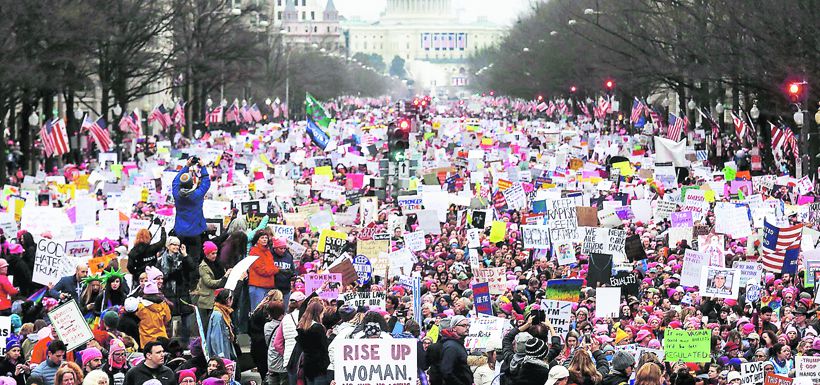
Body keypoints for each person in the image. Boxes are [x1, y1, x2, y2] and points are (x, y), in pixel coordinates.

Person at [173, 156, 211, 266]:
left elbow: (175, 181)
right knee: (194, 261)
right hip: (195, 233)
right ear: (191, 184)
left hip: (180, 232)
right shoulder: (197, 195)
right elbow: (206, 183)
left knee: (180, 261)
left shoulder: (176, 195)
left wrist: (187, 166)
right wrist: (203, 167)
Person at [158, 235, 196, 343]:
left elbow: (192, 267)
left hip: (182, 293)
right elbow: (160, 276)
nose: (176, 247)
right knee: (167, 322)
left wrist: (185, 255)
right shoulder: (161, 260)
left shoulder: (182, 258)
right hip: (169, 293)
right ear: (168, 246)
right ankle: (167, 344)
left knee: (186, 323)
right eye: (173, 244)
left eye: (178, 245)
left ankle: (186, 344)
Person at [194, 241, 233, 330]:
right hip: (208, 301)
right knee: (208, 326)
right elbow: (209, 283)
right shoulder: (203, 267)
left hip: (219, 299)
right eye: (212, 253)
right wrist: (224, 277)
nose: (215, 255)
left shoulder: (219, 264)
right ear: (207, 254)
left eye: (216, 253)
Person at [295, 300, 330, 385]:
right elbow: (323, 348)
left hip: (308, 365)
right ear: (318, 313)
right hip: (319, 366)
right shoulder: (318, 328)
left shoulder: (302, 328)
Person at [431, 315, 472, 385]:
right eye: (463, 325)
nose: (467, 328)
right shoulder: (451, 346)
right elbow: (446, 371)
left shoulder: (457, 344)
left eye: (468, 325)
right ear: (454, 328)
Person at [134, 276, 171, 348]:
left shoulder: (140, 306)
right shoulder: (164, 305)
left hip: (146, 340)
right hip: (162, 338)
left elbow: (135, 320)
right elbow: (168, 319)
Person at [248, 230, 279, 311]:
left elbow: (270, 267)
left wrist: (274, 269)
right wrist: (276, 270)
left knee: (265, 312)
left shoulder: (268, 252)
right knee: (257, 311)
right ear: (257, 240)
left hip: (267, 286)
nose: (265, 239)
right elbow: (261, 270)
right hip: (257, 286)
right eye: (262, 238)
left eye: (266, 238)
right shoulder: (254, 252)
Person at [207, 289, 237, 360]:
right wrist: (220, 354)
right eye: (231, 299)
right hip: (221, 353)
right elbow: (215, 337)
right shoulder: (218, 315)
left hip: (226, 348)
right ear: (227, 300)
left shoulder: (224, 312)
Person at [271, 237, 296, 303]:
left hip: (286, 289)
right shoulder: (270, 256)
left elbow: (293, 271)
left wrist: (293, 275)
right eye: (281, 248)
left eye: (284, 248)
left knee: (284, 311)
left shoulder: (288, 256)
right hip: (273, 289)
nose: (283, 250)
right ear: (275, 248)